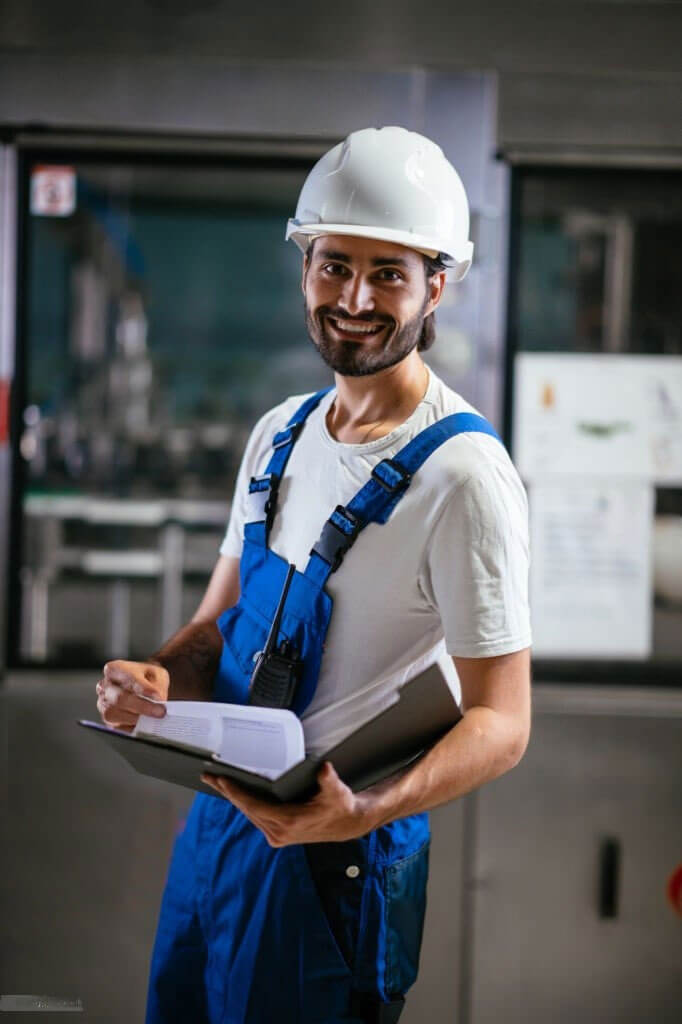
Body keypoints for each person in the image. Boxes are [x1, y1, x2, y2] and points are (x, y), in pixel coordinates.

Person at [95, 125, 532, 1024]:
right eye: (335, 266)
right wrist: (155, 679)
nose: (357, 297)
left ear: (435, 284)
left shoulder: (464, 475)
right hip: (217, 836)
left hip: (336, 857)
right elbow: (215, 626)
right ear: (304, 266)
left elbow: (504, 721)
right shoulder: (279, 434)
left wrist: (364, 810)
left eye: (389, 274)